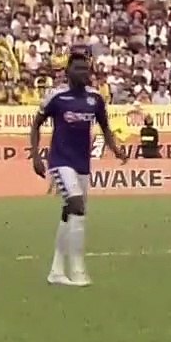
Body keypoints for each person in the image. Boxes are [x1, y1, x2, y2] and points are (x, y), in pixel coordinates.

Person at [30, 53, 128, 286]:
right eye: (79, 69)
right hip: (60, 161)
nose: (84, 73)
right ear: (68, 72)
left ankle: (56, 270)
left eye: (87, 69)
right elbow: (36, 125)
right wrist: (35, 155)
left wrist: (115, 148)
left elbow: (105, 126)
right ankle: (77, 268)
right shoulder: (56, 97)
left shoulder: (95, 99)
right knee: (76, 204)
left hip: (82, 163)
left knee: (72, 212)